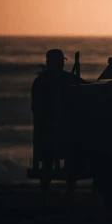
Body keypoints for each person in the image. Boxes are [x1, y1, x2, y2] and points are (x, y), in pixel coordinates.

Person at [31, 49, 86, 205]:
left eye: (62, 62)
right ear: (50, 63)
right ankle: (47, 194)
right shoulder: (42, 82)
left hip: (62, 130)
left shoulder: (65, 78)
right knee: (49, 160)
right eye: (59, 62)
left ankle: (65, 193)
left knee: (70, 158)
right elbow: (37, 108)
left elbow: (86, 90)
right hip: (50, 131)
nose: (61, 65)